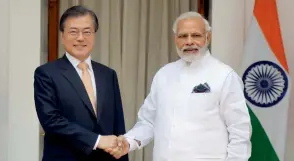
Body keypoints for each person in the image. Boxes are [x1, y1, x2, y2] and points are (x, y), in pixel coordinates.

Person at [109, 12, 252, 161]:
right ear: (175, 39)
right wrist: (129, 142)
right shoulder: (164, 74)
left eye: (196, 35)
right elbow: (148, 122)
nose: (189, 41)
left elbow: (239, 131)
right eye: (183, 36)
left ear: (207, 37)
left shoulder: (224, 76)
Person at [34, 5, 128, 161]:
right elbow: (51, 120)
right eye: (73, 32)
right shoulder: (46, 73)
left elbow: (118, 125)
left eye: (86, 32)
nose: (80, 38)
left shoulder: (108, 74)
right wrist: (97, 140)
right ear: (62, 35)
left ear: (94, 35)